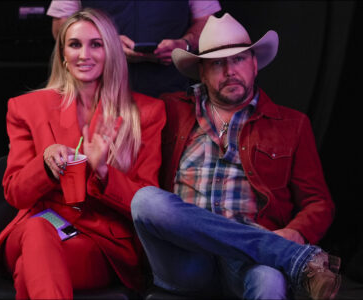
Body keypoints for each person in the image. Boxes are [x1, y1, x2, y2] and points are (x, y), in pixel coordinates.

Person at [131, 13, 341, 300]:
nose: (229, 70)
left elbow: (319, 202)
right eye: (217, 63)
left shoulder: (292, 125)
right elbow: (112, 100)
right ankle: (294, 258)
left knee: (270, 282)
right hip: (184, 260)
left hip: (249, 262)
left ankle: (281, 251)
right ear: (202, 72)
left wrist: (296, 232)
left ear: (255, 64)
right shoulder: (170, 111)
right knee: (145, 200)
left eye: (239, 59)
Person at [0, 8, 166, 299]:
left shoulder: (146, 113)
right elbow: (15, 194)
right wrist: (45, 164)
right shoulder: (27, 108)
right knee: (37, 231)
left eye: (96, 44)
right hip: (34, 229)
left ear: (112, 52)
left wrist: (105, 173)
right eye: (75, 44)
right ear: (63, 55)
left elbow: (149, 203)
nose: (85, 54)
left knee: (27, 272)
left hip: (99, 241)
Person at [46, 0, 221, 97]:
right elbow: (61, 24)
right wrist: (105, 42)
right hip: (100, 93)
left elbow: (207, 21)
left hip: (171, 92)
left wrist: (185, 45)